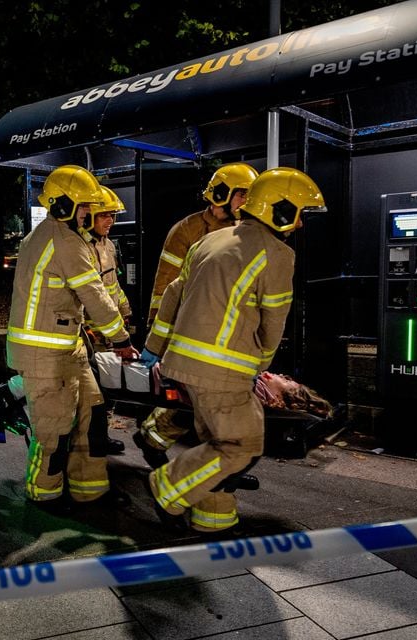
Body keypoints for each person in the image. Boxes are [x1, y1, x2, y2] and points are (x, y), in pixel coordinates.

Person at [142, 167, 325, 535]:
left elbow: (173, 295)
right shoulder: (279, 254)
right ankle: (167, 488)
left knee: (216, 440)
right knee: (240, 445)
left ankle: (213, 519)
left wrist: (155, 347)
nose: (301, 225)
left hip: (182, 361)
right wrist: (260, 364)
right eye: (300, 214)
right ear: (282, 211)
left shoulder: (210, 241)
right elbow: (274, 320)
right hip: (221, 369)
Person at [6, 164, 136, 510]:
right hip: (45, 353)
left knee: (92, 414)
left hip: (67, 347)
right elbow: (93, 292)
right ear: (63, 205)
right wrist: (121, 339)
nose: (88, 214)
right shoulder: (62, 240)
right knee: (55, 429)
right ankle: (43, 493)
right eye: (84, 207)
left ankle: (89, 488)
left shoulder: (50, 236)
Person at [134, 163, 259, 469]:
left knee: (210, 401)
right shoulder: (187, 231)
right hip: (191, 330)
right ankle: (205, 466)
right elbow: (167, 286)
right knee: (199, 398)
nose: (247, 202)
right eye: (243, 195)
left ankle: (167, 444)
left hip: (228, 331)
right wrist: (158, 337)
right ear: (223, 195)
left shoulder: (249, 231)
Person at [81, 185, 132, 455]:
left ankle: (100, 436)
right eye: (104, 215)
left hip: (109, 330)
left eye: (113, 215)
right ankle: (94, 440)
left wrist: (125, 310)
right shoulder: (81, 247)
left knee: (106, 389)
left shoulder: (108, 245)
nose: (110, 221)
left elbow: (112, 287)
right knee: (95, 392)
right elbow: (90, 295)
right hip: (91, 333)